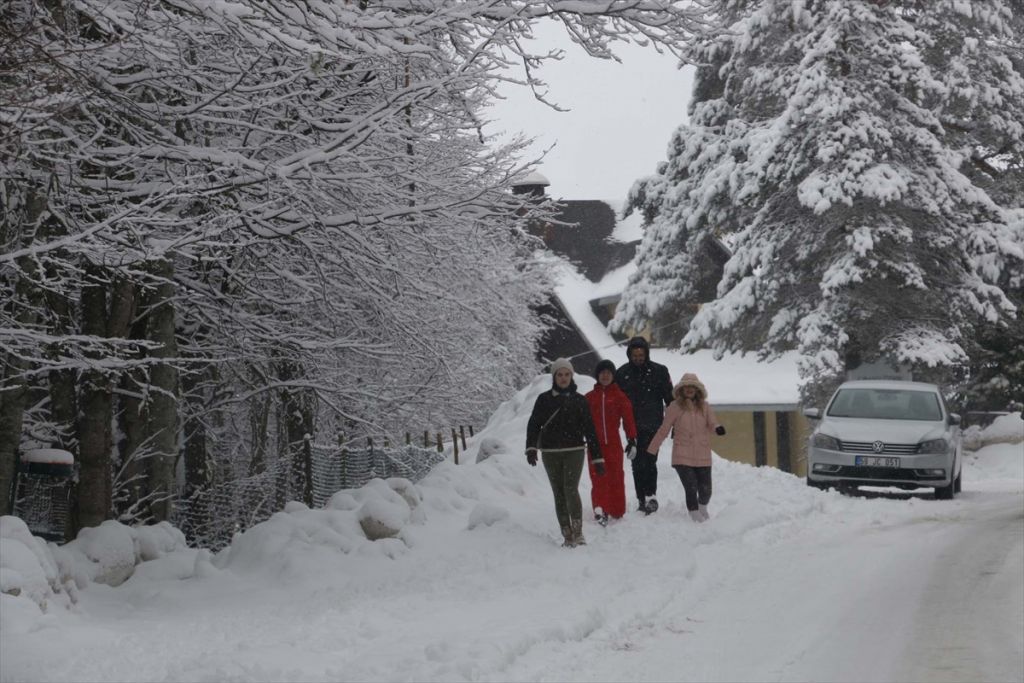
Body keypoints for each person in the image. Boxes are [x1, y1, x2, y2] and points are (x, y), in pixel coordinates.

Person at [525, 358, 604, 547]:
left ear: (571, 376)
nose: (563, 378)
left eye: (567, 374)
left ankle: (578, 531)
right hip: (550, 451)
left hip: (574, 450)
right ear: (554, 377)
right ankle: (566, 533)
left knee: (570, 488)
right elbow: (534, 424)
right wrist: (531, 448)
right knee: (558, 491)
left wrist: (597, 457)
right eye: (559, 375)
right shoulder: (544, 399)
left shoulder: (580, 400)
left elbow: (590, 430)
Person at [645, 373, 726, 522]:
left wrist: (718, 428)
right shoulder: (674, 407)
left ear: (697, 390)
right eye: (686, 387)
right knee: (691, 486)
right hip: (682, 454)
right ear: (681, 389)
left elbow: (712, 423)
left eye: (692, 387)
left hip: (702, 453)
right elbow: (664, 429)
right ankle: (694, 513)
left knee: (706, 490)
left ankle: (702, 507)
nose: (689, 389)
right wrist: (652, 449)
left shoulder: (705, 407)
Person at [615, 336, 673, 514]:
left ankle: (651, 496)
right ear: (629, 355)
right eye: (635, 355)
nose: (638, 358)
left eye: (641, 355)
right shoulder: (622, 374)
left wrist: (675, 422)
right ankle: (641, 498)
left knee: (650, 460)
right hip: (632, 426)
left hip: (654, 424)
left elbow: (670, 399)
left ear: (647, 354)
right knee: (637, 462)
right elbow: (615, 402)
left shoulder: (659, 371)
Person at [585, 359, 637, 525]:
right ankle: (601, 510)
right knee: (598, 477)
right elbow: (580, 421)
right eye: (602, 373)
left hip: (614, 444)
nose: (605, 376)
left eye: (608, 373)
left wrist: (632, 439)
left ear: (613, 376)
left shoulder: (619, 396)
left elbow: (628, 419)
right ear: (597, 376)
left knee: (616, 476)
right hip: (595, 445)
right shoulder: (589, 398)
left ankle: (617, 509)